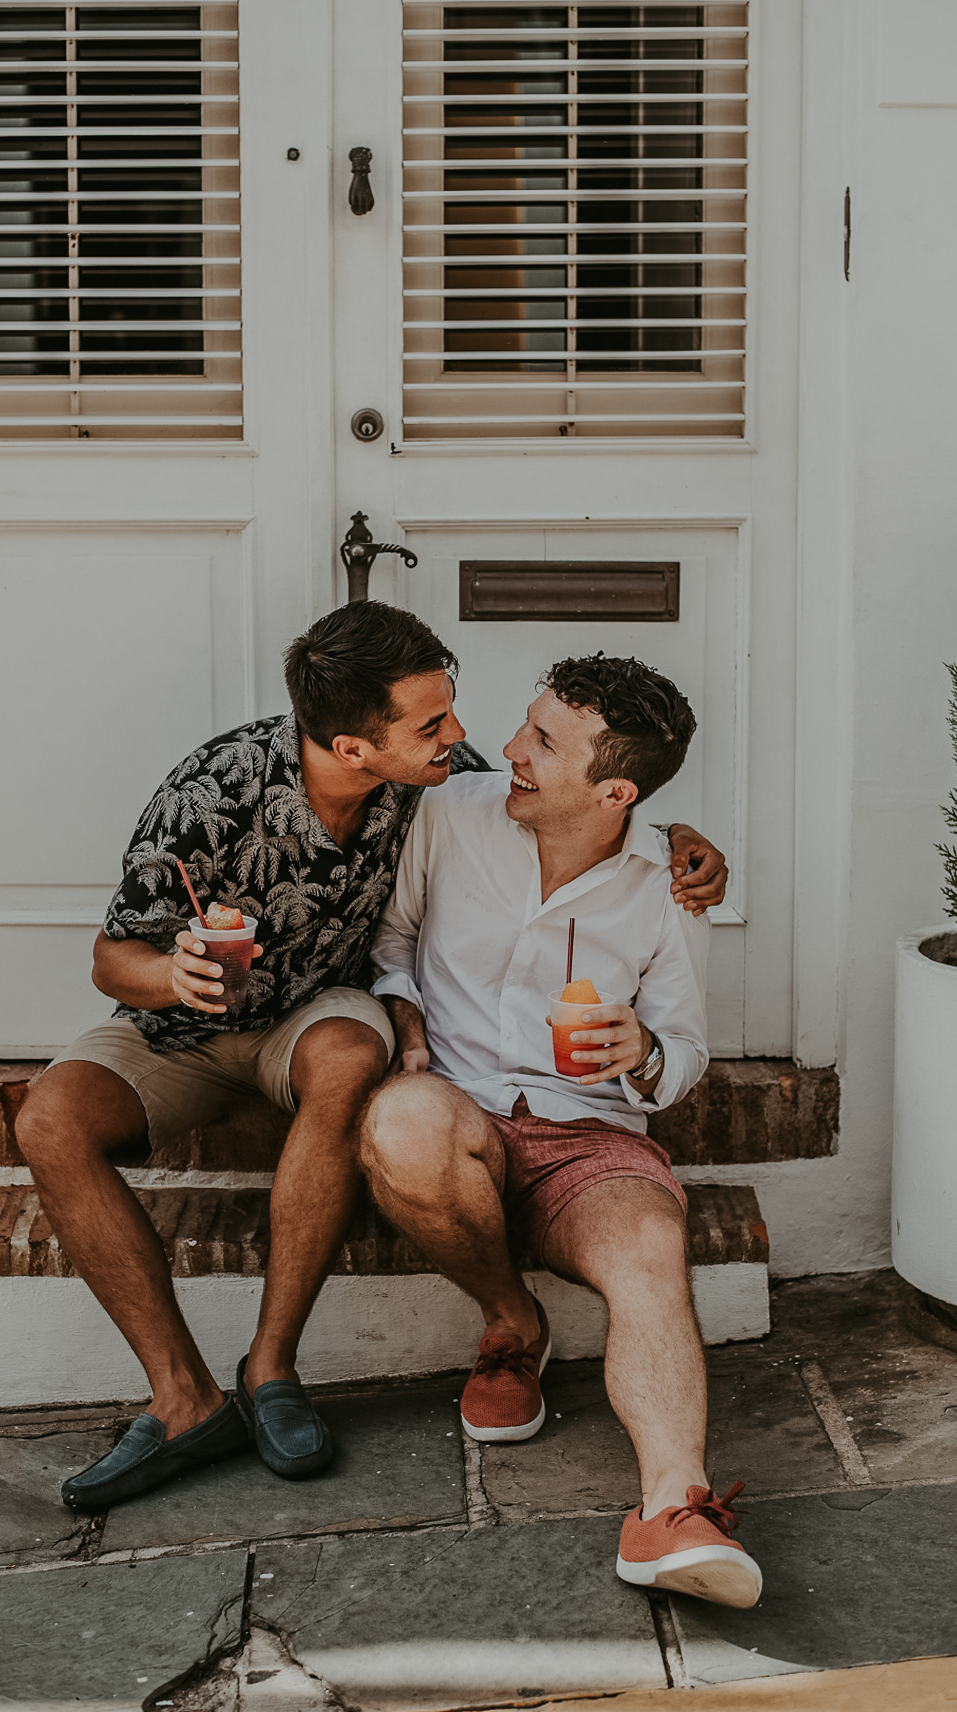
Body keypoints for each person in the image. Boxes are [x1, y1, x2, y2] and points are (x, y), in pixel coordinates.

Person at [14, 606, 729, 1511]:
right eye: (435, 725)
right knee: (48, 1118)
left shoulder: (444, 782)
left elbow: (596, 788)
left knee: (358, 1057)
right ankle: (186, 1399)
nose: (470, 739)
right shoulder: (239, 789)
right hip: (190, 1023)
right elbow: (112, 957)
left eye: (456, 714)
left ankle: (274, 1370)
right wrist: (177, 973)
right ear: (356, 747)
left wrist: (685, 856)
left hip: (345, 1030)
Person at [361, 653, 762, 1609]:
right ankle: (512, 1324)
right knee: (405, 1123)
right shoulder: (451, 815)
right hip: (458, 1103)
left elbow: (687, 1054)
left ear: (614, 788)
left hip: (589, 1133)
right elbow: (393, 938)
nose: (508, 751)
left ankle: (674, 1510)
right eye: (526, 726)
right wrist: (403, 1013)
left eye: (542, 741)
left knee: (652, 1245)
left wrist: (643, 1049)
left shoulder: (668, 882)